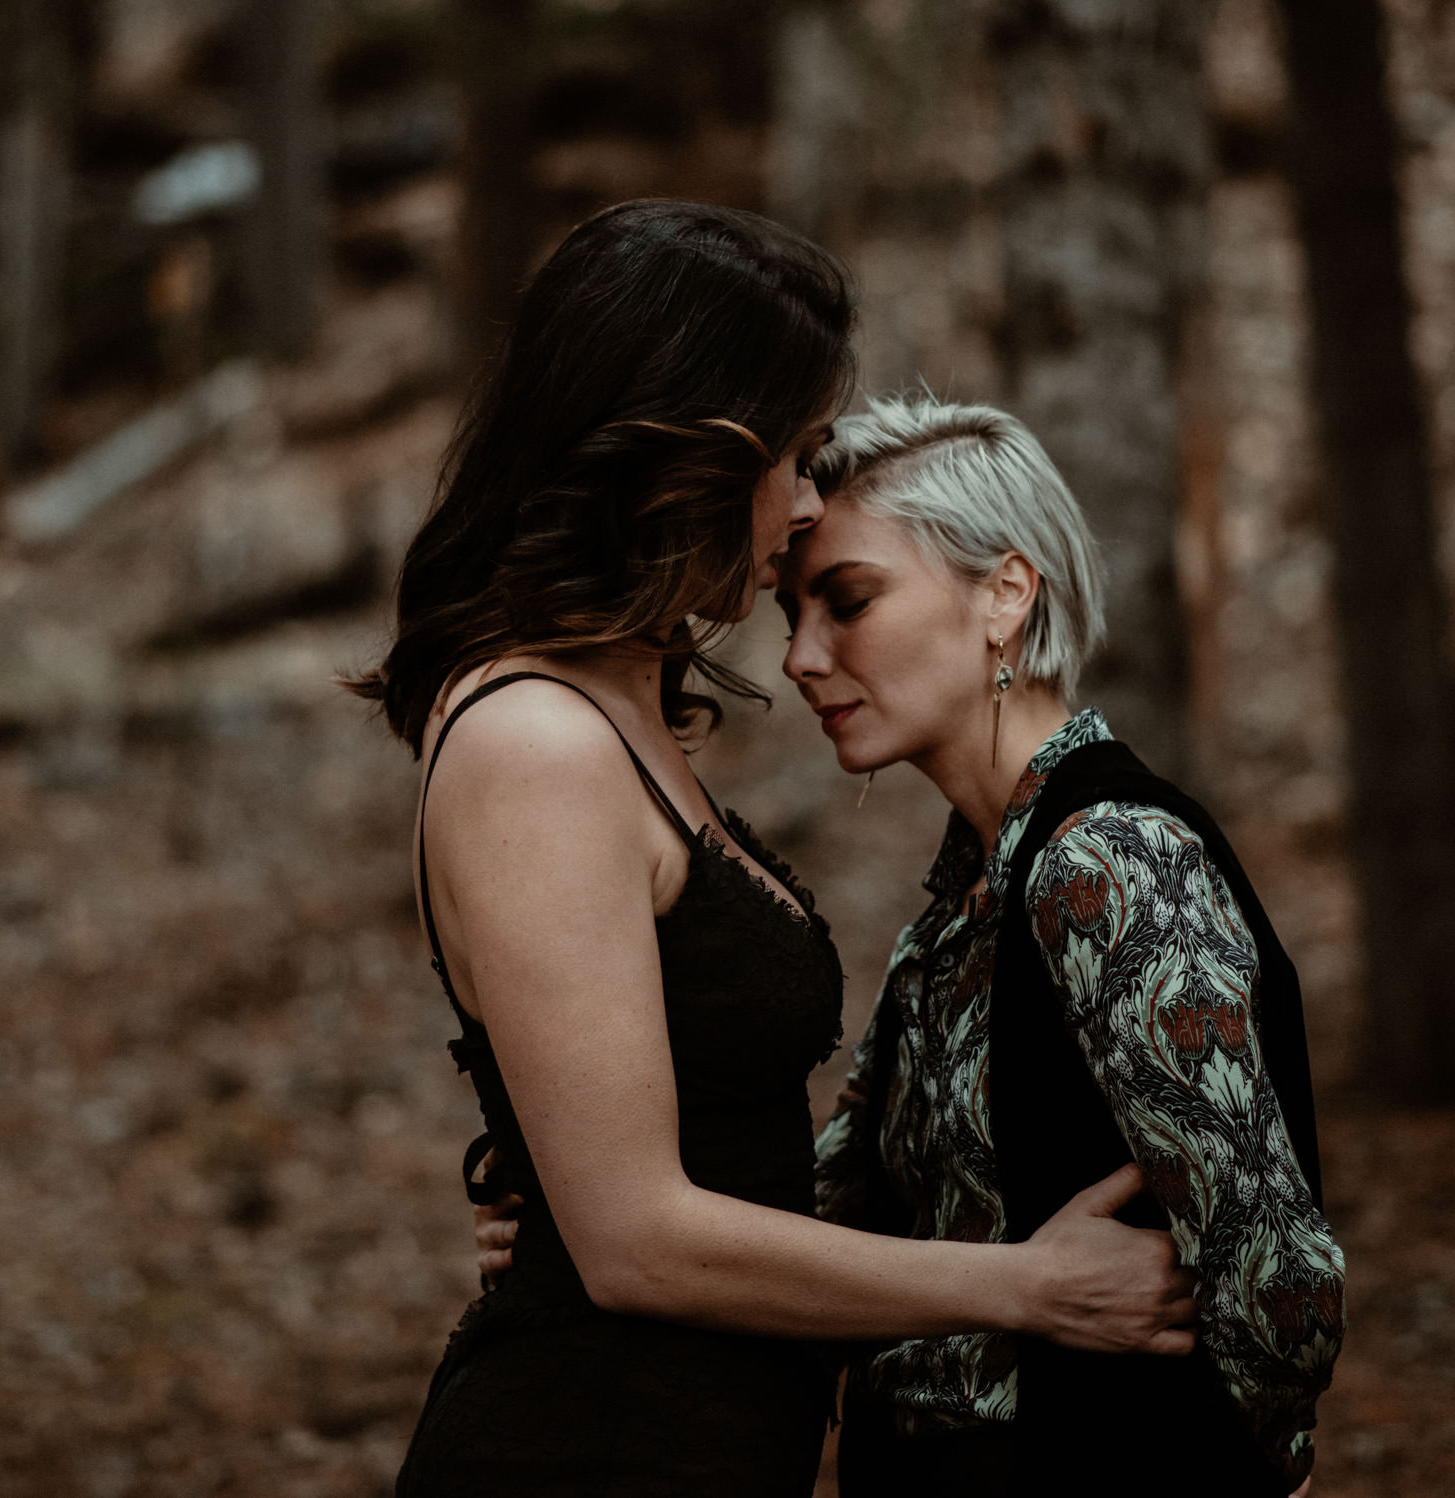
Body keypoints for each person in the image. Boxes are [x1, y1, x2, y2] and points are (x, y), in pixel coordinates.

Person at [352, 204, 1199, 1498]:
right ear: (690, 449)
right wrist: (1021, 1286)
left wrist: (580, 1201)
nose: (807, 504)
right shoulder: (536, 738)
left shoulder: (612, 708)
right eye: (798, 456)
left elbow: (658, 1174)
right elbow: (639, 1243)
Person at [786, 398, 1344, 1494]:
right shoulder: (956, 913)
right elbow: (827, 1221)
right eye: (790, 614)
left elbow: (1282, 1295)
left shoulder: (1110, 863)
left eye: (846, 602)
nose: (804, 657)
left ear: (1003, 594)